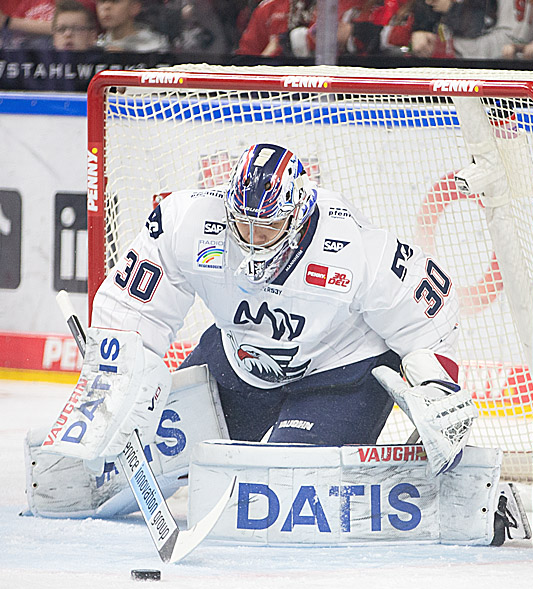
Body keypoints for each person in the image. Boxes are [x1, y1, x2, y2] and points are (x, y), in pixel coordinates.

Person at [91, 143, 466, 450]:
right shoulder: (186, 220)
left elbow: (426, 317)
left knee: (283, 490)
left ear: (299, 216)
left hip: (337, 374)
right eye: (242, 223)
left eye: (267, 227)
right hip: (238, 362)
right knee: (148, 453)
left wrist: (436, 392)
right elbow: (131, 305)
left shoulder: (355, 248)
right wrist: (120, 378)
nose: (252, 239)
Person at [95, 0, 168, 52]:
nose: (106, 7)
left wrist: (126, 57)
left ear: (134, 8)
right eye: (102, 1)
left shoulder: (154, 46)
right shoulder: (96, 46)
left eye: (115, 0)